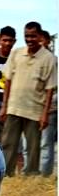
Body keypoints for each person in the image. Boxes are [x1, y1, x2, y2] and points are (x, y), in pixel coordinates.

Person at [0, 22, 56, 176]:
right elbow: (8, 81)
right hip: (14, 107)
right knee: (8, 143)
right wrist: (4, 106)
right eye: (27, 36)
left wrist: (45, 114)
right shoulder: (16, 53)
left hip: (35, 110)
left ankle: (31, 177)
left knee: (33, 147)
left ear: (39, 36)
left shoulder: (49, 58)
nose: (29, 39)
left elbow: (50, 88)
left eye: (33, 36)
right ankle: (6, 175)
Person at [40, 30, 57, 176]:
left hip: (49, 104)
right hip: (33, 105)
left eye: (42, 40)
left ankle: (45, 174)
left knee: (46, 142)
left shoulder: (54, 60)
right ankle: (32, 174)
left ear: (47, 42)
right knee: (29, 144)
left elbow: (53, 87)